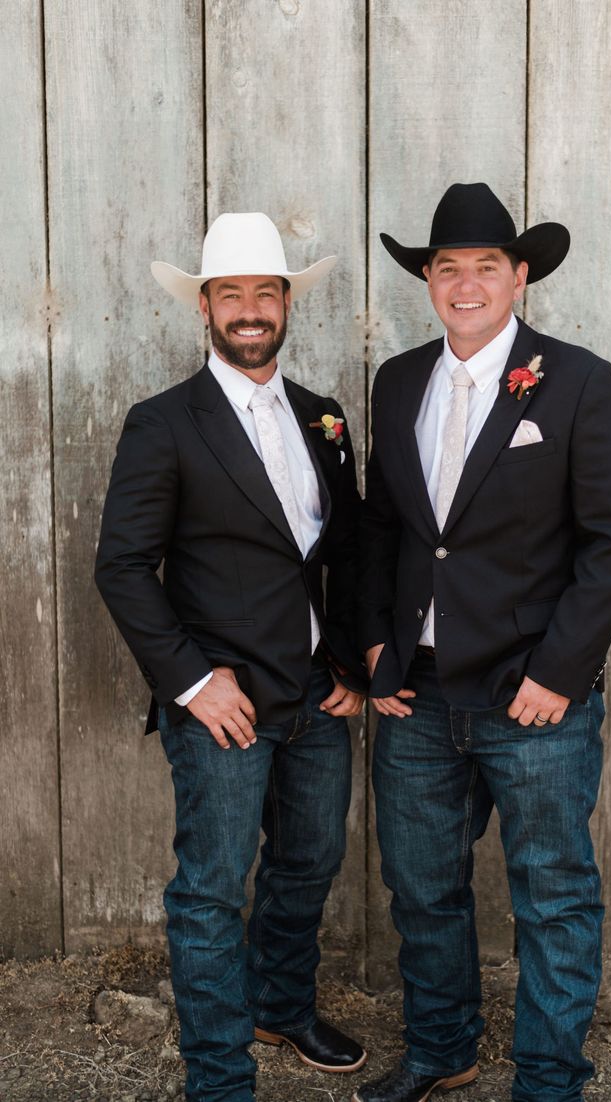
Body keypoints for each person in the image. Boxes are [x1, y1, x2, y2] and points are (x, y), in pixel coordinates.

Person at [354, 183, 611, 1102]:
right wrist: (370, 644)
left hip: (534, 697)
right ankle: (444, 1050)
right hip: (419, 694)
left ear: (520, 278)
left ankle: (551, 1080)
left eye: (487, 266)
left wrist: (562, 672)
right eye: (449, 268)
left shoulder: (578, 380)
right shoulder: (398, 380)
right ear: (429, 282)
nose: (467, 284)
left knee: (553, 897)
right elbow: (381, 527)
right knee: (422, 891)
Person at [95, 212, 368, 1102]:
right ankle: (220, 1078)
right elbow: (123, 566)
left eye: (265, 292)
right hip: (223, 703)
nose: (249, 310)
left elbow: (349, 553)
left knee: (309, 864)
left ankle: (280, 1004)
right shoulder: (164, 423)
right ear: (205, 307)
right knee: (212, 894)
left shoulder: (322, 416)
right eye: (230, 295)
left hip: (315, 699)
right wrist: (191, 681)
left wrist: (353, 670)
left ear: (287, 303)